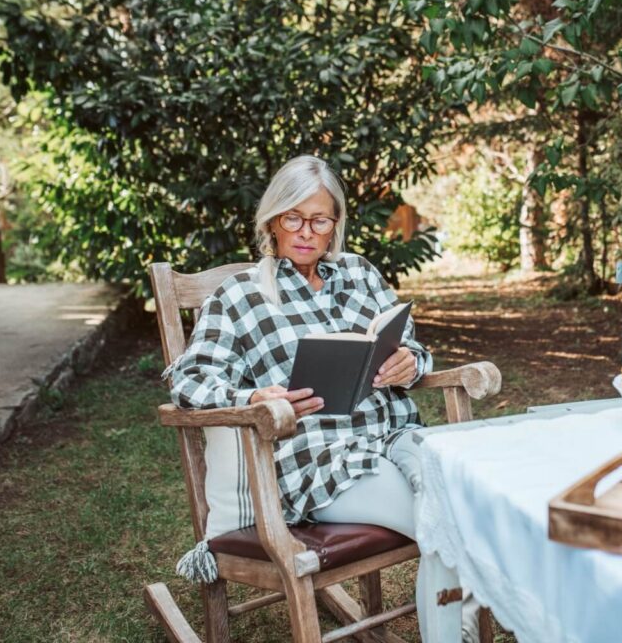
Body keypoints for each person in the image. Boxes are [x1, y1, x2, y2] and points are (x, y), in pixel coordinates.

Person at [167, 155, 478, 641]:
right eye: (294, 216)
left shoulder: (359, 274)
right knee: (445, 521)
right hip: (321, 461)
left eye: (320, 219)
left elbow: (407, 341)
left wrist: (411, 362)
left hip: (395, 433)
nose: (306, 231)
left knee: (464, 493)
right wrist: (252, 395)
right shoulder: (239, 296)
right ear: (273, 221)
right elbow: (188, 379)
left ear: (336, 225)